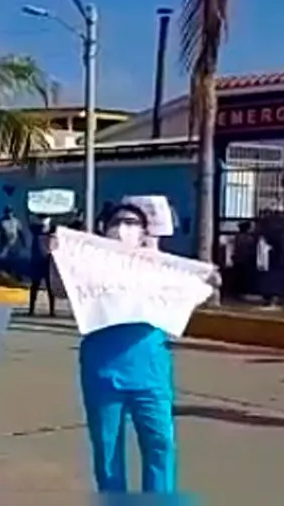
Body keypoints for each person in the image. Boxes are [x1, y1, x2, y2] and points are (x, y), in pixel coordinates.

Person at [67, 200, 217, 495]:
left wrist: (207, 279)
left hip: (150, 373)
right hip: (103, 372)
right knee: (108, 453)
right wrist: (56, 255)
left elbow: (197, 290)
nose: (125, 229)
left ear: (145, 232)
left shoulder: (158, 266)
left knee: (160, 444)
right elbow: (62, 288)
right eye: (118, 222)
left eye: (133, 223)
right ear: (104, 229)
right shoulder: (89, 265)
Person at [28, 214, 56, 317]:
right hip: (37, 262)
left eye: (45, 219)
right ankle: (31, 309)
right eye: (42, 219)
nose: (43, 222)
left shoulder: (52, 231)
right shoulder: (35, 230)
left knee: (50, 287)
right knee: (34, 286)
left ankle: (52, 310)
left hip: (47, 262)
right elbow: (29, 220)